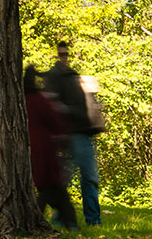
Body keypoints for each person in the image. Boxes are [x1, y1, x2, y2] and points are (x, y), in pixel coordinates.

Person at [42, 41, 103, 226]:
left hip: (80, 133)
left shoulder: (73, 76)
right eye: (61, 53)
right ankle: (63, 219)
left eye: (66, 53)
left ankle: (89, 220)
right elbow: (52, 105)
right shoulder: (55, 76)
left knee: (85, 178)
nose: (64, 56)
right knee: (70, 179)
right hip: (71, 134)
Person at [25, 65, 80, 231]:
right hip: (45, 151)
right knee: (53, 189)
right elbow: (55, 122)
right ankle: (70, 224)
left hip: (30, 150)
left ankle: (66, 223)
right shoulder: (40, 100)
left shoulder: (21, 101)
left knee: (45, 189)